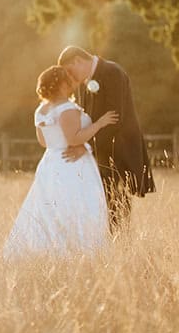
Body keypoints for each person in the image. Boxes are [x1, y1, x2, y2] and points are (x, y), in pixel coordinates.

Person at [2, 65, 116, 257]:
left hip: (52, 161)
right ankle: (78, 251)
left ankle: (48, 250)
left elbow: (43, 141)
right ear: (62, 84)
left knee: (51, 207)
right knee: (79, 204)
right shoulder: (67, 108)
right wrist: (99, 124)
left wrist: (62, 144)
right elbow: (74, 138)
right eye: (67, 79)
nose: (71, 82)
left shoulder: (42, 109)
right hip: (73, 164)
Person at [57, 45, 155, 230]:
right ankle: (108, 243)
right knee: (102, 201)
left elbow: (115, 120)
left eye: (70, 71)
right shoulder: (86, 82)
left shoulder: (112, 72)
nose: (71, 77)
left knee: (116, 202)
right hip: (99, 151)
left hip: (119, 149)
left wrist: (86, 146)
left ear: (78, 61)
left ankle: (120, 243)